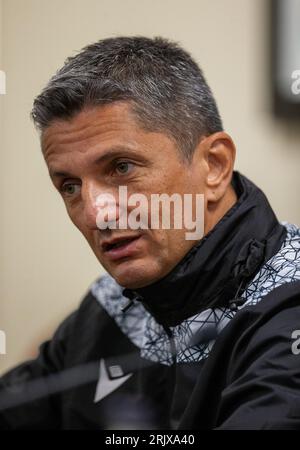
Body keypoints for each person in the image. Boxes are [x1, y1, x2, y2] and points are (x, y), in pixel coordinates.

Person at [1, 36, 300, 430]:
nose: (95, 213)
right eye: (70, 186)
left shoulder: (287, 310)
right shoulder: (111, 305)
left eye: (121, 168)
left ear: (214, 165)